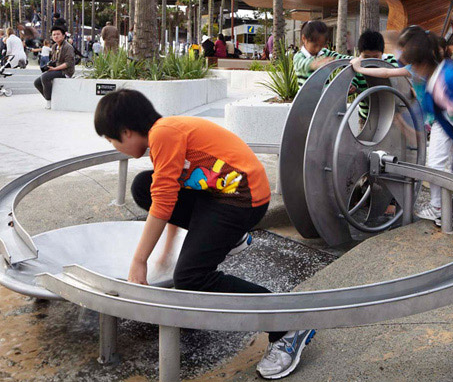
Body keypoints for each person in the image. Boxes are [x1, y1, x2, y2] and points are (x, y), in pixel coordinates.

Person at [94, 89, 315, 379]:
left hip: (242, 199)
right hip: (220, 193)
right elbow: (169, 194)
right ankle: (229, 238)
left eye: (111, 140)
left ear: (126, 132)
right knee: (143, 186)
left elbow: (163, 204)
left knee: (191, 277)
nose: (114, 146)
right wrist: (166, 252)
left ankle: (287, 325)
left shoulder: (164, 134)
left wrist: (139, 262)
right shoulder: (164, 132)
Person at [352, 26, 453, 228]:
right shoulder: (426, 79)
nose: (412, 70)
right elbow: (394, 79)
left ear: (424, 61)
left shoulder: (448, 75)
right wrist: (360, 68)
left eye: (414, 65)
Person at [352, 30, 399, 124]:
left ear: (382, 53)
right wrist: (351, 89)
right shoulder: (357, 65)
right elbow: (351, 82)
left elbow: (397, 81)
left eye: (375, 57)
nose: (371, 60)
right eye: (366, 57)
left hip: (389, 116)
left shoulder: (390, 61)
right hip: (366, 117)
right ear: (360, 54)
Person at [34, 26, 76, 109]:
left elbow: (68, 63)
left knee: (45, 77)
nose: (56, 36)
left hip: (66, 71)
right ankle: (52, 99)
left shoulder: (68, 47)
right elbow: (54, 60)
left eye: (58, 34)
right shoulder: (54, 47)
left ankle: (49, 101)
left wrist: (54, 69)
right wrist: (49, 66)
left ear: (63, 36)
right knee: (37, 82)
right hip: (57, 70)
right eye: (54, 35)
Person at [293, 21, 340, 89]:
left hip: (325, 95)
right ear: (304, 39)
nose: (318, 49)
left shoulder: (324, 52)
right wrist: (315, 63)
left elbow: (341, 58)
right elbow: (304, 65)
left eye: (321, 46)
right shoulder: (298, 57)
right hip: (307, 95)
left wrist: (354, 60)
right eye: (315, 45)